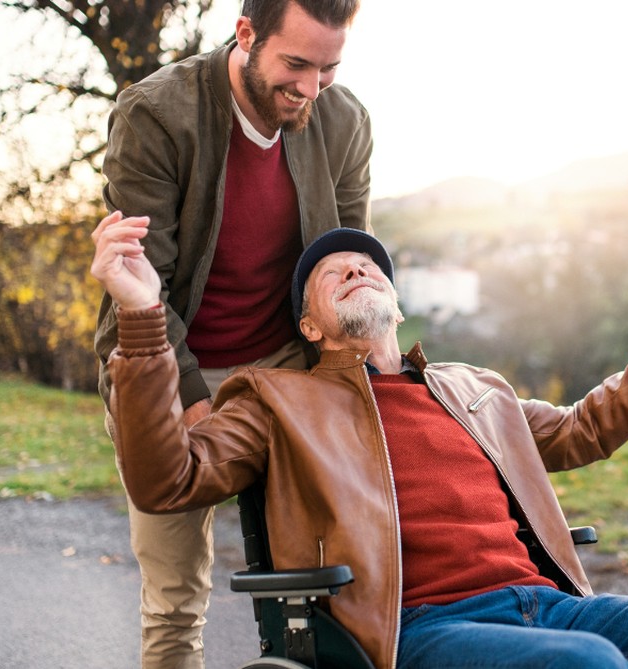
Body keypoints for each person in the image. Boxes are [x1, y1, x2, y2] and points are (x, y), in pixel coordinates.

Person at [93, 219, 628, 669]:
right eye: (332, 272)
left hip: (545, 603)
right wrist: (142, 316)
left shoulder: (474, 388)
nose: (357, 268)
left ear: (397, 305)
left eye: (369, 265)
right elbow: (167, 482)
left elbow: (588, 427)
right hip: (415, 626)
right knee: (588, 665)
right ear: (310, 326)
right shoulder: (278, 398)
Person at [90, 0, 371, 665]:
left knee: (336, 580)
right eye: (295, 65)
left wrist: (364, 379)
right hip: (164, 359)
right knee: (176, 596)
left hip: (282, 362)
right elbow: (144, 287)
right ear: (246, 34)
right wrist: (192, 402)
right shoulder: (157, 115)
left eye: (328, 69)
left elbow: (349, 262)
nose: (309, 89)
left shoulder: (345, 120)